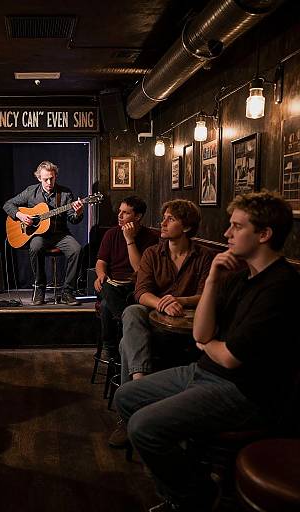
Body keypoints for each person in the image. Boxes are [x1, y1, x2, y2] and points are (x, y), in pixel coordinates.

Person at [114, 191, 300, 512]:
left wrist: (207, 345)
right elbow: (201, 333)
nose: (226, 233)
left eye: (236, 227)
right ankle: (192, 477)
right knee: (124, 397)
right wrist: (213, 279)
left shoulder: (281, 286)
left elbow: (228, 356)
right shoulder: (239, 277)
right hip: (206, 371)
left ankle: (190, 497)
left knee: (143, 427)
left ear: (264, 234)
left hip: (245, 391)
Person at [109, 199, 213, 447]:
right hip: (153, 324)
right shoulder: (153, 253)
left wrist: (179, 299)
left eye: (170, 219)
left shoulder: (204, 256)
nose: (162, 223)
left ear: (186, 227)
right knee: (133, 311)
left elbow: (208, 293)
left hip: (188, 329)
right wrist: (162, 303)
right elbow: (141, 292)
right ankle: (139, 385)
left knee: (126, 344)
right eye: (163, 217)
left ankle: (128, 414)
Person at [3, 160, 84, 306]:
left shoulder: (65, 193)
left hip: (60, 234)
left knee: (76, 249)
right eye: (45, 179)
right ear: (39, 178)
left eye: (51, 178)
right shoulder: (30, 191)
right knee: (35, 247)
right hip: (39, 235)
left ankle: (67, 292)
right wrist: (20, 215)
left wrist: (78, 212)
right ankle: (39, 288)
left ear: (55, 176)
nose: (49, 182)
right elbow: (8, 205)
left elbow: (73, 219)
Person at [94, 196, 159, 360]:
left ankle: (112, 348)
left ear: (137, 216)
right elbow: (101, 262)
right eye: (120, 211)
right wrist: (101, 274)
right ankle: (128, 333)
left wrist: (129, 240)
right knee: (107, 289)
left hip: (134, 286)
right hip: (112, 284)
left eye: (125, 213)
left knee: (107, 305)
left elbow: (140, 270)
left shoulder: (150, 238)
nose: (120, 216)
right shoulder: (111, 234)